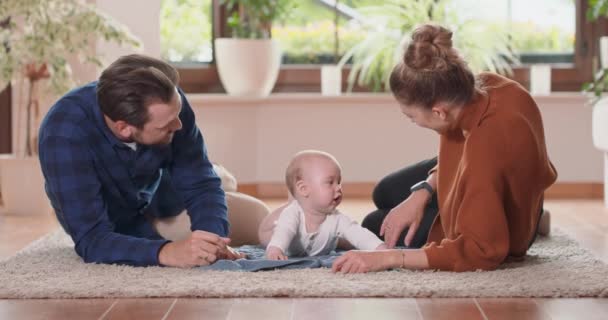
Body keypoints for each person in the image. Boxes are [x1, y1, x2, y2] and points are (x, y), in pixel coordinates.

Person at [332, 24, 557, 273]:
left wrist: (391, 258)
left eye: (411, 116)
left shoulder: (483, 156)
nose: (412, 122)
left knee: (375, 225)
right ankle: (535, 215)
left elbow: (479, 251)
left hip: (504, 220)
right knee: (385, 192)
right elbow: (463, 154)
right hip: (507, 186)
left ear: (439, 111)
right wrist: (424, 191)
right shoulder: (485, 86)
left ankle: (531, 224)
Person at [38, 54, 269, 268]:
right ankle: (221, 177)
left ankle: (219, 176)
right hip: (117, 218)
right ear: (124, 128)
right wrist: (169, 252)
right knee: (241, 222)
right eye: (166, 127)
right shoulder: (63, 134)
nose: (179, 126)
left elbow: (199, 184)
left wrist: (212, 241)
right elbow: (92, 239)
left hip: (159, 190)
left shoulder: (168, 103)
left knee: (260, 219)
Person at [258, 150, 386, 260]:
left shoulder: (337, 218)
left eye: (339, 182)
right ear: (303, 188)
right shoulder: (292, 213)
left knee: (348, 239)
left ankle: (335, 238)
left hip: (318, 241)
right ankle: (294, 200)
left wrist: (381, 249)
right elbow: (283, 232)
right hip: (273, 232)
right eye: (330, 182)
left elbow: (359, 233)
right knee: (271, 229)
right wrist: (275, 249)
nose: (338, 188)